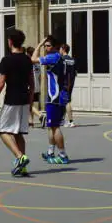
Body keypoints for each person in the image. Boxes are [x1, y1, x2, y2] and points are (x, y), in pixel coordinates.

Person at [0, 29, 33, 176]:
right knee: (19, 133)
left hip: (11, 100)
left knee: (3, 131)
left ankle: (20, 157)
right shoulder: (27, 59)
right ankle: (23, 167)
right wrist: (31, 102)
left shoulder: (6, 60)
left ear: (10, 42)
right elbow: (32, 83)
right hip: (24, 99)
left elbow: (1, 83)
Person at [30, 35, 69, 164]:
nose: (45, 48)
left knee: (55, 127)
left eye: (48, 45)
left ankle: (63, 155)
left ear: (54, 47)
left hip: (55, 97)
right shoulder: (61, 58)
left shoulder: (53, 57)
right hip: (59, 96)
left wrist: (39, 44)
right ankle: (50, 152)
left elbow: (33, 59)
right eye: (45, 45)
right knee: (51, 126)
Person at [60, 43, 77, 128]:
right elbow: (75, 72)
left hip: (64, 83)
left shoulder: (62, 59)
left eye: (60, 49)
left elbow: (61, 72)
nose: (59, 50)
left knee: (67, 101)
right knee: (64, 100)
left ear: (63, 49)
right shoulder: (72, 59)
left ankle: (71, 121)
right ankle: (63, 120)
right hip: (71, 82)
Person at [25, 47, 42, 127]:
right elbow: (39, 76)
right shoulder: (37, 63)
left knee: (29, 104)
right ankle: (31, 121)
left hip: (30, 86)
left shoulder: (28, 62)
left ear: (28, 54)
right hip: (37, 85)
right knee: (31, 103)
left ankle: (40, 115)